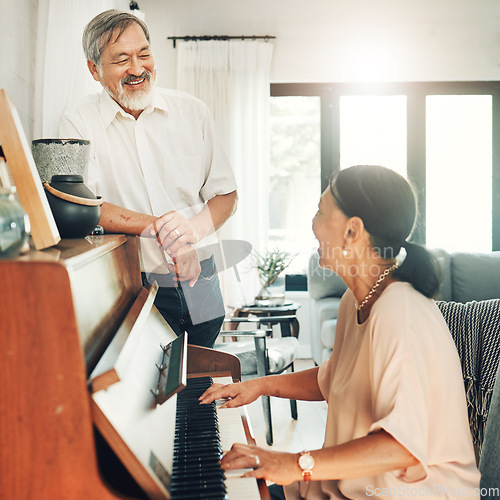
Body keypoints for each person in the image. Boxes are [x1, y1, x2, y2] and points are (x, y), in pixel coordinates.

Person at [200, 165, 481, 499]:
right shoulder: (355, 300)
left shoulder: (400, 313)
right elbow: (331, 379)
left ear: (352, 231)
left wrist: (294, 463)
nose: (313, 223)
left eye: (321, 211)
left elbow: (403, 447)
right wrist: (256, 386)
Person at [59, 10, 238, 348]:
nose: (138, 69)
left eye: (144, 54)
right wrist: (165, 231)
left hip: (203, 276)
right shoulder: (78, 123)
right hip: (136, 284)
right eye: (121, 59)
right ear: (94, 69)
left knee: (201, 385)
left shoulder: (193, 111)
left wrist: (191, 232)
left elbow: (226, 195)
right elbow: (82, 205)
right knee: (150, 394)